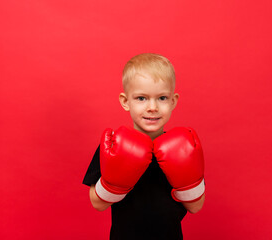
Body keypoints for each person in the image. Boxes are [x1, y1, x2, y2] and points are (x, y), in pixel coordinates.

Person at [83, 53, 205, 239]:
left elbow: (196, 206)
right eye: (141, 98)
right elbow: (98, 204)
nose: (152, 107)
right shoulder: (112, 145)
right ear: (125, 102)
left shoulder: (183, 147)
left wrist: (187, 182)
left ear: (173, 101)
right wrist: (114, 184)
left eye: (162, 98)